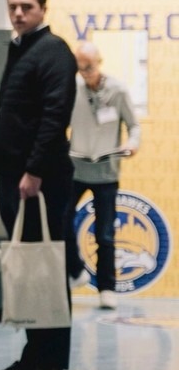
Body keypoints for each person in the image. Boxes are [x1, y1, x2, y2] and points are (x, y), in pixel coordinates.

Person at [0, 0, 77, 370]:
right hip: (18, 180)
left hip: (39, 183)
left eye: (27, 6)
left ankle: (51, 366)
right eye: (13, 7)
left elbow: (55, 115)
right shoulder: (22, 48)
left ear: (43, 8)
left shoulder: (52, 51)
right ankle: (32, 357)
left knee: (45, 273)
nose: (19, 13)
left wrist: (34, 171)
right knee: (29, 273)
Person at [66, 41, 140, 310]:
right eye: (79, 67)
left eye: (89, 67)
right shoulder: (71, 88)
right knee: (60, 219)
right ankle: (75, 270)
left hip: (106, 170)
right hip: (76, 167)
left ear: (100, 62)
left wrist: (132, 145)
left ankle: (107, 288)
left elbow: (134, 127)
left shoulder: (117, 90)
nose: (85, 72)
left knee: (105, 234)